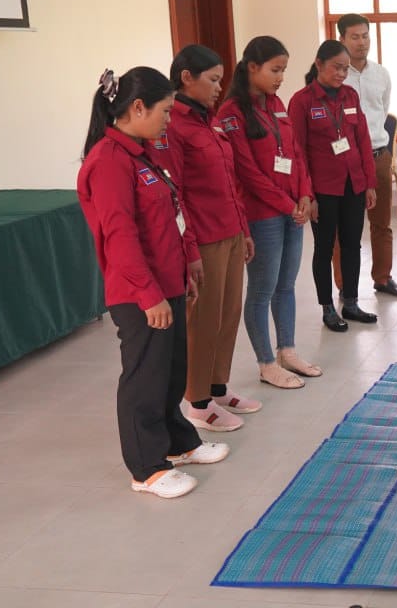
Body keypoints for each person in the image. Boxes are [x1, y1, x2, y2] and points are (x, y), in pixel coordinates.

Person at [78, 67, 227, 499]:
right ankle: (146, 468)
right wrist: (148, 295)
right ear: (138, 108)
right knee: (145, 376)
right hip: (140, 292)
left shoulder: (143, 153)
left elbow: (172, 208)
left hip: (168, 281)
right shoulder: (108, 161)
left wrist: (190, 257)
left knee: (171, 370)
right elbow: (119, 236)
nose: (168, 120)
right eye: (165, 111)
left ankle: (177, 443)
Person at [155, 45, 258, 432]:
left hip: (230, 232)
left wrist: (244, 229)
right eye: (213, 80)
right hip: (204, 238)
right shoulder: (174, 127)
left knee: (228, 313)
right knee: (204, 320)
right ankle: (197, 401)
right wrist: (191, 248)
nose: (219, 88)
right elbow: (175, 194)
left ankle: (218, 387)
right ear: (186, 78)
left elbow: (230, 184)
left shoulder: (209, 122)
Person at [220, 36, 321, 389]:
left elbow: (296, 153)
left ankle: (286, 351)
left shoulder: (276, 103)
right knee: (262, 290)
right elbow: (247, 172)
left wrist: (305, 194)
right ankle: (266, 363)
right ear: (252, 67)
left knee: (286, 285)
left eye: (284, 70)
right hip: (262, 214)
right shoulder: (231, 113)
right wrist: (287, 204)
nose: (280, 78)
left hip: (293, 209)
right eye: (275, 70)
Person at [289, 39, 378, 331]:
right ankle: (327, 307)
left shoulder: (350, 96)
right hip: (323, 189)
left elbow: (362, 141)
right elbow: (297, 151)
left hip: (353, 183)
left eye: (345, 69)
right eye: (336, 68)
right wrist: (307, 194)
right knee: (324, 248)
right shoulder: (302, 101)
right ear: (319, 64)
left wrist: (369, 183)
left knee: (352, 244)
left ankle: (350, 301)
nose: (341, 74)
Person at [336, 13, 397, 298]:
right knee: (344, 226)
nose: (361, 42)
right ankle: (345, 284)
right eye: (354, 37)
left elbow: (382, 111)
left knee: (382, 223)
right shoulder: (336, 75)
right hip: (344, 160)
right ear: (341, 39)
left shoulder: (381, 74)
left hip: (378, 155)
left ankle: (383, 277)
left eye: (365, 36)